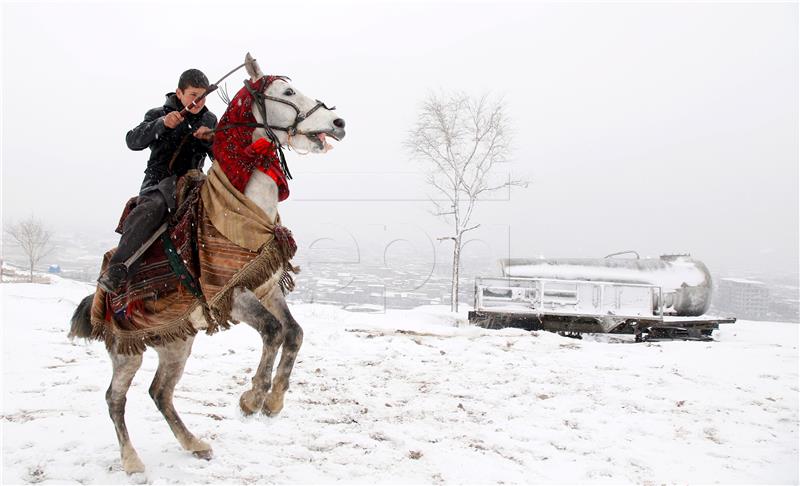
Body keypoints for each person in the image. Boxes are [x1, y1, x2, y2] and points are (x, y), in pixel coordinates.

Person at [97, 69, 218, 293]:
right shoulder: (157, 114)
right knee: (152, 208)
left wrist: (212, 139)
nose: (198, 101)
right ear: (179, 93)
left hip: (194, 184)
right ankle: (117, 269)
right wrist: (161, 124)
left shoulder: (209, 120)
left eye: (203, 96)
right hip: (159, 182)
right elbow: (133, 140)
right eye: (193, 95)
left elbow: (219, 156)